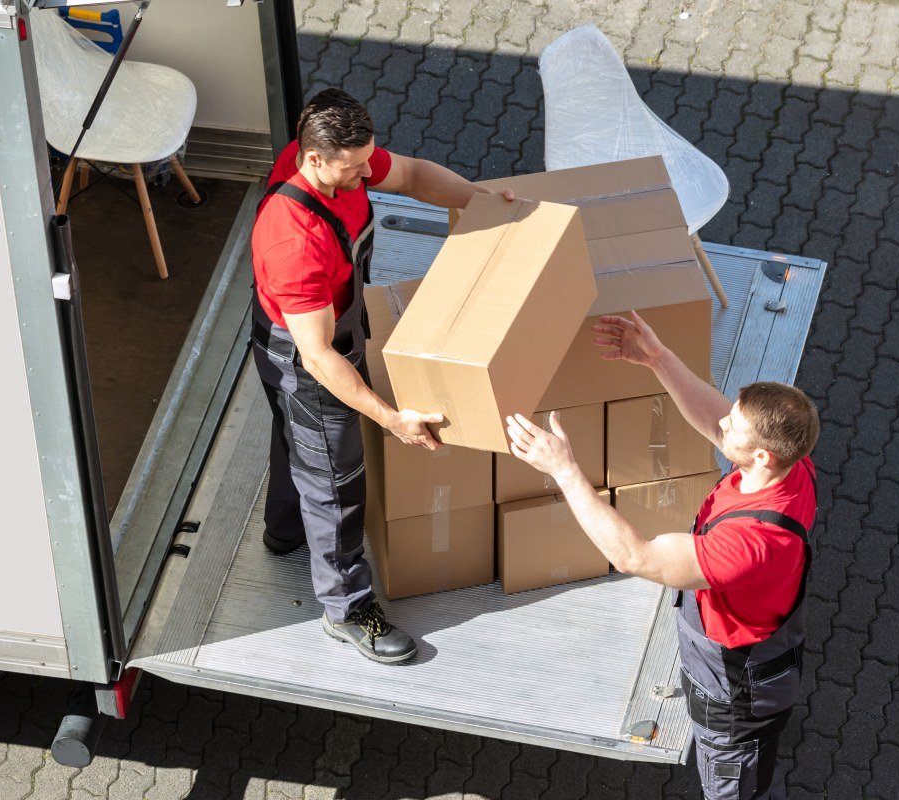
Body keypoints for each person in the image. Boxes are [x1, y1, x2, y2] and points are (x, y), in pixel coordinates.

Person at [506, 310, 819, 799]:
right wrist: (657, 358)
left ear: (763, 455)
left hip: (735, 689)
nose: (722, 421)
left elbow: (634, 555)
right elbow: (716, 423)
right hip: (744, 652)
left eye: (735, 424)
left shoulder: (749, 545)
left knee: (735, 782)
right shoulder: (791, 470)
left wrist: (564, 470)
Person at [250, 89, 512, 665]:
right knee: (337, 482)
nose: (369, 173)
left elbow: (414, 174)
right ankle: (348, 609)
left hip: (307, 332)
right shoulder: (295, 240)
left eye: (368, 159)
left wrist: (479, 199)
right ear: (314, 160)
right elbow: (318, 357)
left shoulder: (330, 157)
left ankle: (285, 531)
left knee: (293, 441)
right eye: (355, 168)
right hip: (307, 356)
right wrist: (392, 419)